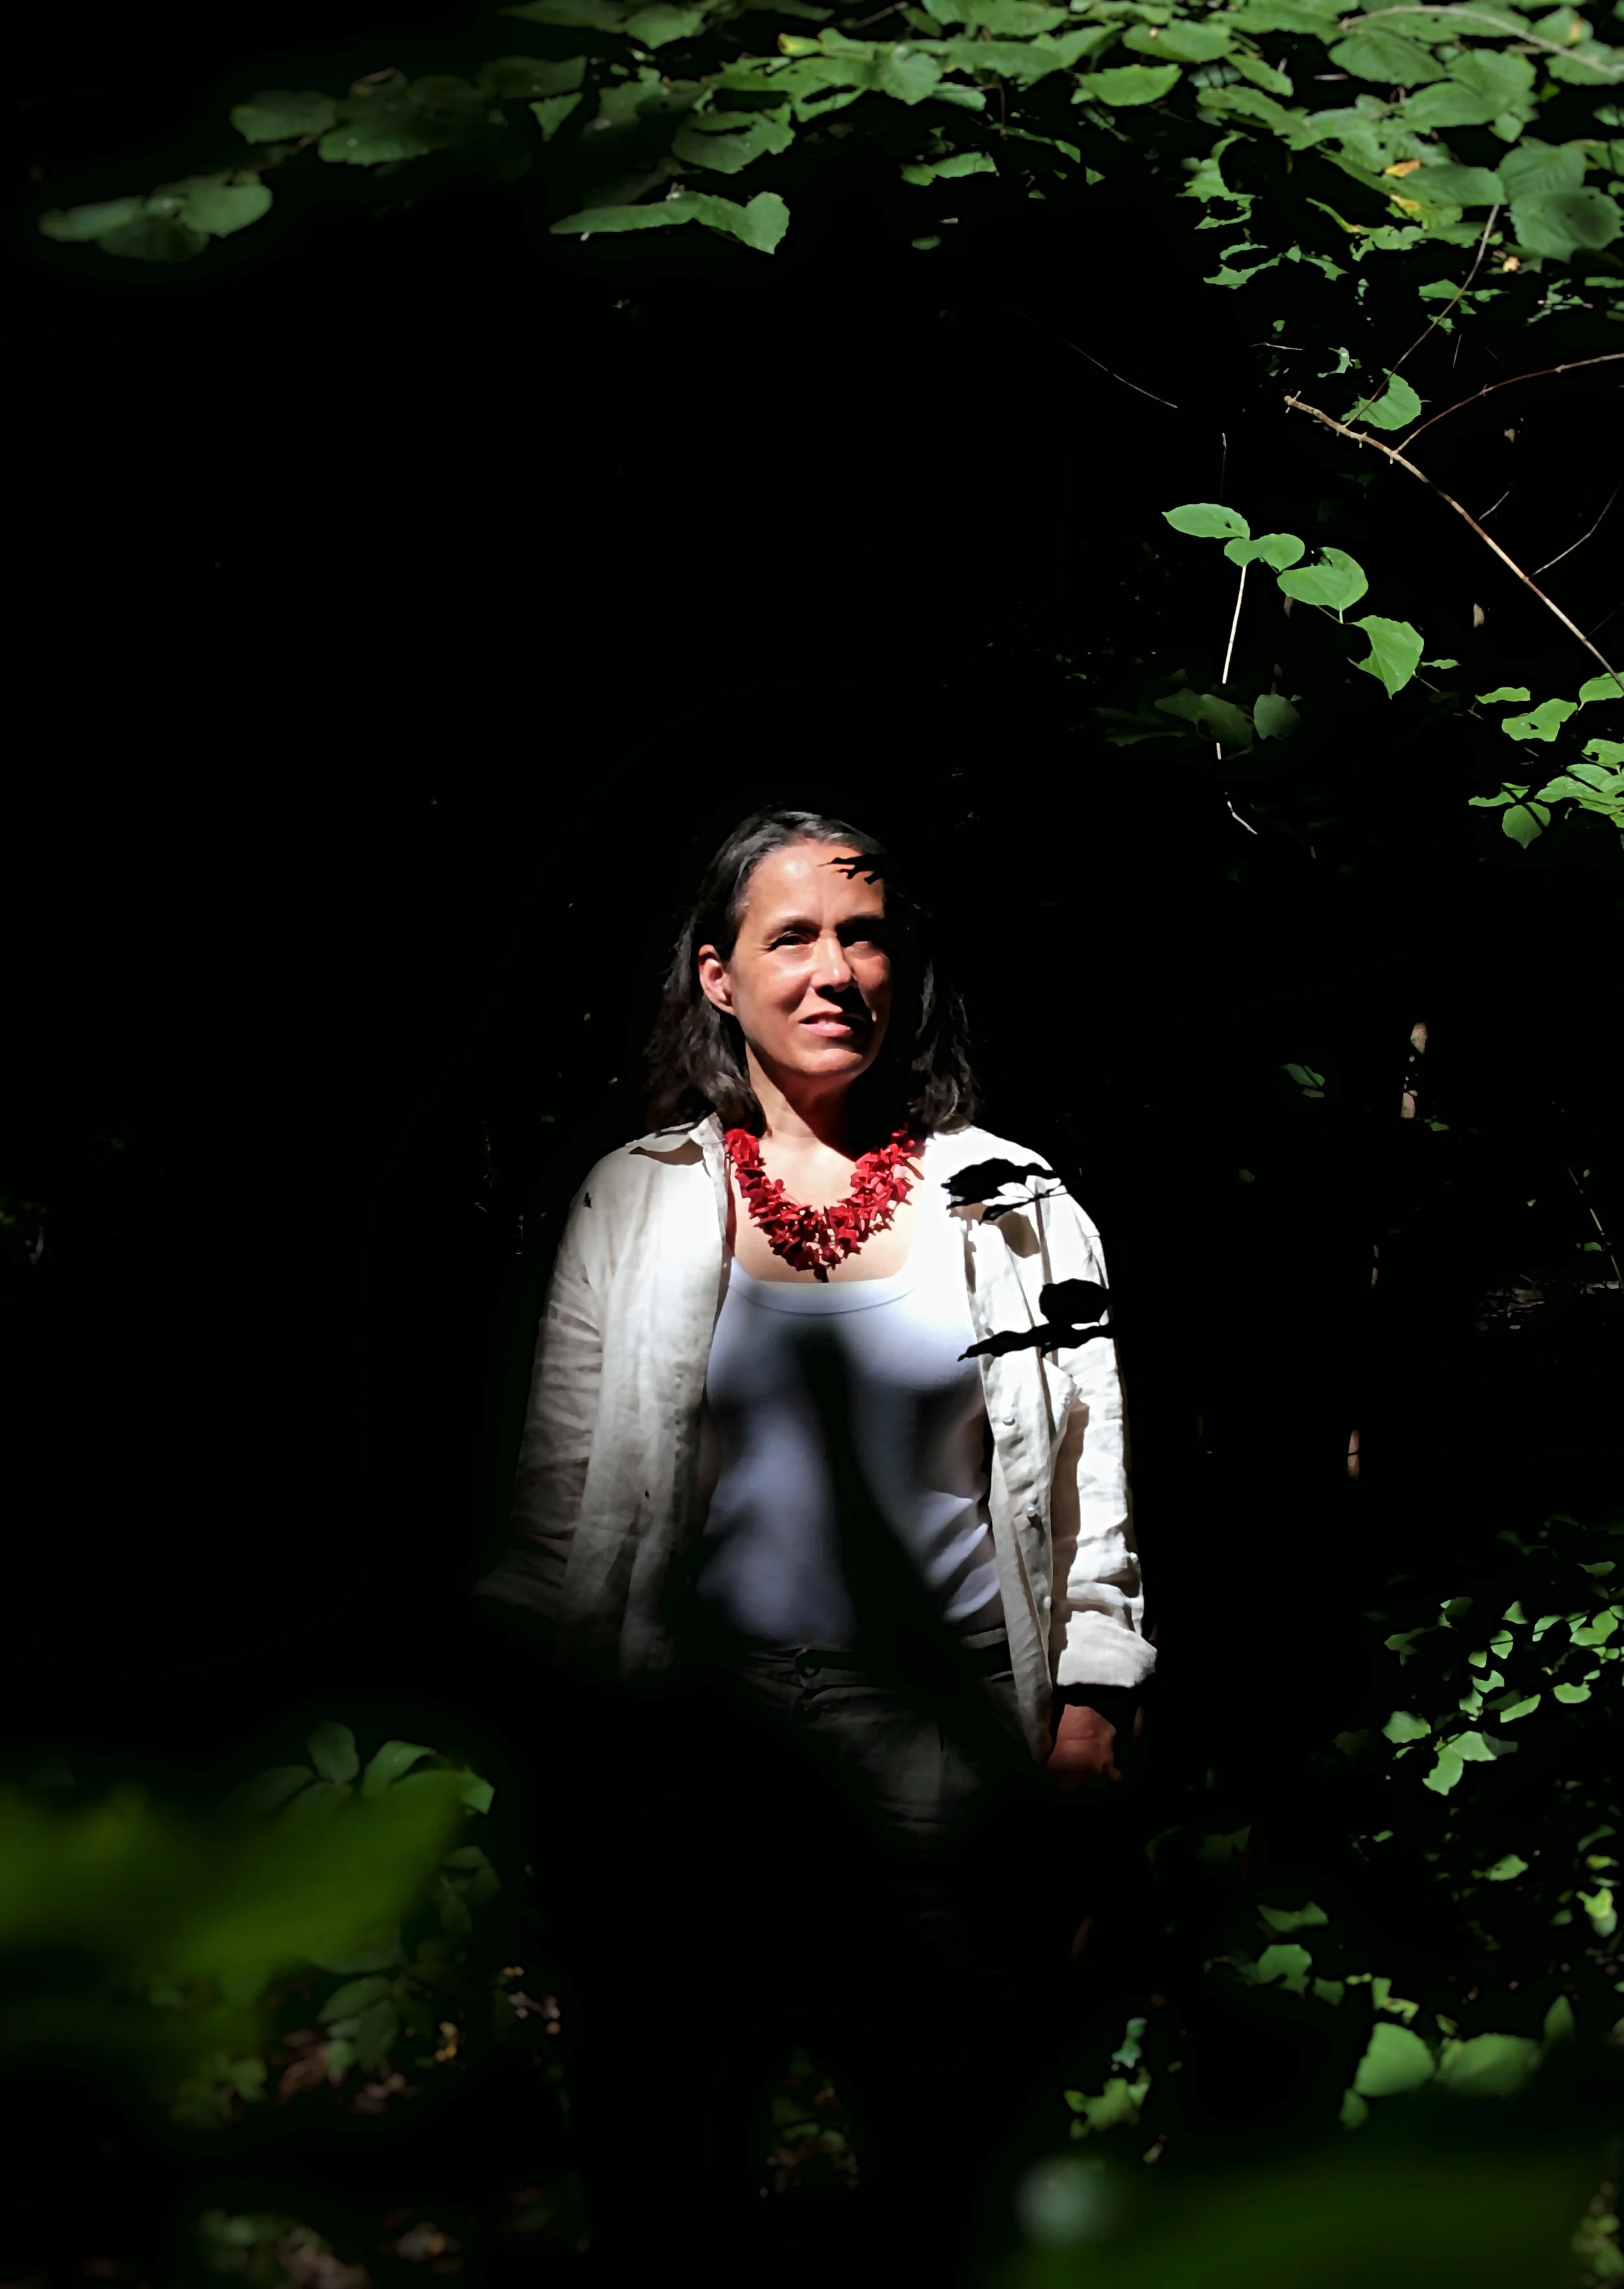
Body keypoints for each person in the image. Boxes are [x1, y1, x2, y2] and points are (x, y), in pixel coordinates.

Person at [468, 808, 1156, 2286]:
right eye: (791, 938)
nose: (835, 971)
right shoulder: (637, 1196)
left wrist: (1090, 1709)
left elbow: (1091, 1487)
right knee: (666, 2170)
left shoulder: (1016, 1204)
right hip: (692, 1742)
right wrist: (542, 1753)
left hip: (943, 1743)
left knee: (954, 2169)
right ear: (719, 978)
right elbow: (556, 1492)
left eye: (864, 936)